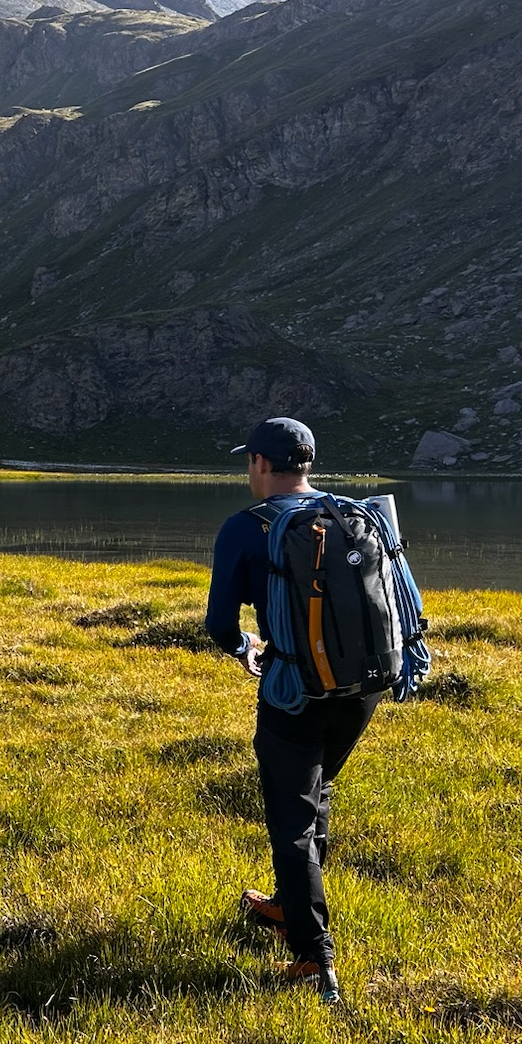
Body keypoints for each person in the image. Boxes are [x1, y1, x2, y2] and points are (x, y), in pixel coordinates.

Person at [204, 417, 380, 1005]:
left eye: (248, 461)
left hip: (294, 691)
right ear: (306, 462)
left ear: (259, 462)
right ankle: (287, 904)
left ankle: (313, 957)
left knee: (291, 819)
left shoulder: (245, 526)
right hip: (361, 687)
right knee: (316, 788)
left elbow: (219, 624)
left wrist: (244, 648)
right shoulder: (353, 514)